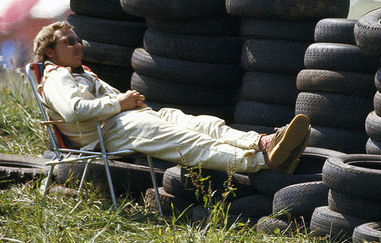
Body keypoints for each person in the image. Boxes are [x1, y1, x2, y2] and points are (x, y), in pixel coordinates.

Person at [32, 22, 310, 175]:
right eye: (68, 42)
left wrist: (129, 101)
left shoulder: (83, 73)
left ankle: (262, 142)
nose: (77, 45)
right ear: (50, 52)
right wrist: (121, 103)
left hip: (125, 119)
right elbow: (74, 111)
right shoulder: (56, 76)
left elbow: (111, 101)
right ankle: (263, 161)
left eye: (78, 39)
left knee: (203, 124)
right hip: (104, 133)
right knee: (188, 142)